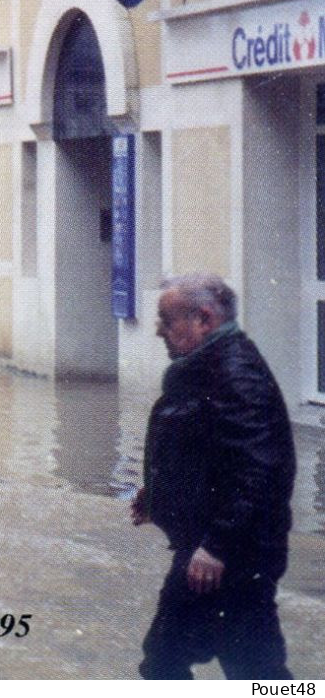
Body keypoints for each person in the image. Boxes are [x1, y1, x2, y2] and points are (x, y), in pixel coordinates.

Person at [133, 273, 296, 680]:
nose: (159, 332)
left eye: (167, 321)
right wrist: (156, 495)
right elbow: (204, 451)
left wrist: (218, 545)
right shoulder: (211, 364)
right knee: (244, 669)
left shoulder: (235, 372)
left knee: (172, 664)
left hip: (229, 558)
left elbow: (259, 467)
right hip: (216, 553)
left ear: (204, 318)